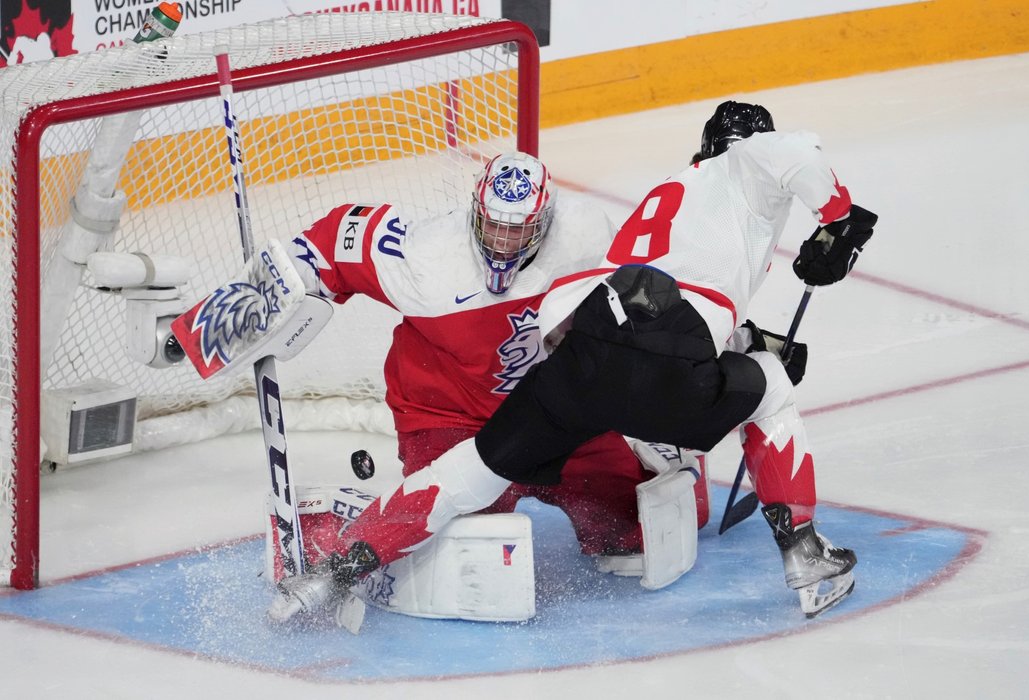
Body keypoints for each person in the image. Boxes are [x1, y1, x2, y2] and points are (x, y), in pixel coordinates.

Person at [272, 100, 877, 620]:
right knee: (769, 390)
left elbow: (617, 297)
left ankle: (334, 570)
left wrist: (744, 339)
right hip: (668, 351)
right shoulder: (744, 165)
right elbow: (792, 154)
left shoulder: (665, 197)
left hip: (581, 357)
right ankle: (805, 551)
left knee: (468, 475)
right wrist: (840, 220)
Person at [272, 151, 712, 592]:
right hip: (448, 414)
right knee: (467, 543)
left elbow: (644, 297)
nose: (502, 241)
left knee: (628, 525)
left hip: (550, 409)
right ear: (475, 211)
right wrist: (279, 284)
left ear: (545, 221)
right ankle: (341, 526)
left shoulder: (586, 235)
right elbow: (334, 242)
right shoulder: (427, 256)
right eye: (494, 225)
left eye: (518, 229)